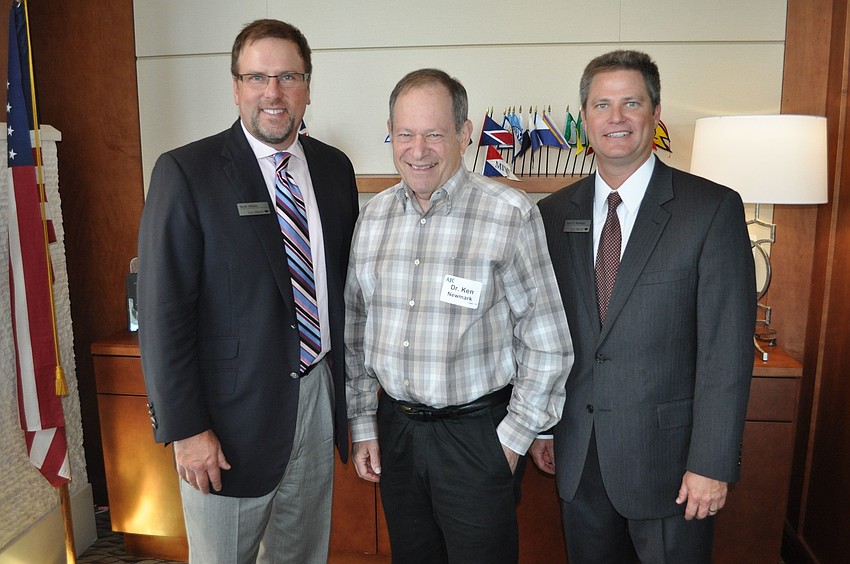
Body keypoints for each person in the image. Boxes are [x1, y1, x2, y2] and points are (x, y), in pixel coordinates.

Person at [137, 19, 359, 563]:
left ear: (308, 86)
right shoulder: (186, 172)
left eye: (288, 76)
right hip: (225, 424)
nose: (273, 93)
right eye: (257, 77)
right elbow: (162, 314)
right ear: (236, 87)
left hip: (316, 399)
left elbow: (344, 289)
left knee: (303, 555)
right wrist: (186, 429)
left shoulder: (334, 170)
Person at [533, 50, 757, 563]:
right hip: (578, 456)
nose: (616, 118)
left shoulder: (711, 208)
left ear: (656, 113)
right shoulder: (550, 214)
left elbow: (726, 352)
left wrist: (712, 463)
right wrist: (544, 426)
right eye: (601, 104)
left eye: (631, 103)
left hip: (673, 468)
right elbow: (540, 332)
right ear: (584, 118)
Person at [344, 68, 574, 564]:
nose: (417, 149)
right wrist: (363, 422)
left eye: (434, 134)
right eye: (404, 134)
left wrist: (510, 442)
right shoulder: (373, 217)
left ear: (465, 134)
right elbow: (356, 330)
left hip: (477, 435)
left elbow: (548, 339)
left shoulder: (509, 213)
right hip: (397, 431)